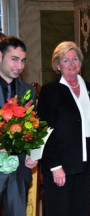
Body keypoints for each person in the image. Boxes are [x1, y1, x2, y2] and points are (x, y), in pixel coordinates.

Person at [37, 41, 90, 216]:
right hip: (61, 164)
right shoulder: (50, 91)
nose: (72, 64)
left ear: (80, 63)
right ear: (57, 65)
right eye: (66, 60)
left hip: (85, 162)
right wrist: (54, 166)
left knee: (81, 210)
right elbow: (45, 131)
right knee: (59, 210)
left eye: (75, 59)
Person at [0, 36, 38, 216]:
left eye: (23, 60)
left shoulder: (27, 91)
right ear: (0, 56)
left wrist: (33, 154)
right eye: (14, 59)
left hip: (18, 169)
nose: (19, 66)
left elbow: (34, 128)